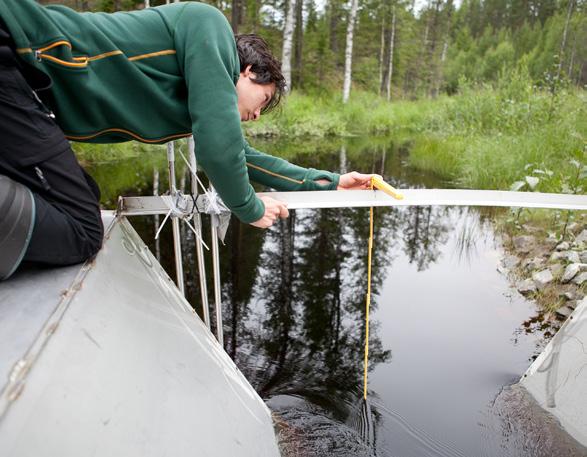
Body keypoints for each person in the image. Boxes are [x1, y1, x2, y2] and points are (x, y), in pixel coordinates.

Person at [0, 0, 376, 280]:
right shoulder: (209, 26)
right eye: (262, 101)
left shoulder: (192, 94)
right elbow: (219, 147)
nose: (256, 116)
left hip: (25, 91)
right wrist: (248, 207)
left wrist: (329, 180)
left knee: (79, 193)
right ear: (247, 72)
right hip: (14, 53)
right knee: (83, 228)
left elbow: (239, 155)